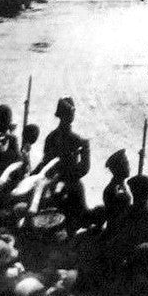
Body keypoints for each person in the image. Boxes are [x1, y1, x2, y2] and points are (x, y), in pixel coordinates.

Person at [38, 96, 91, 227]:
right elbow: (83, 169)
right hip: (72, 185)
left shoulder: (51, 137)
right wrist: (86, 150)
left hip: (52, 185)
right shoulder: (77, 140)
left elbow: (46, 165)